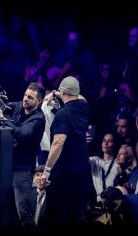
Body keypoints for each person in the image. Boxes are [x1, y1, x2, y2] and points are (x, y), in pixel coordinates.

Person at [0, 82, 46, 228]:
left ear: (39, 101)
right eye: (25, 95)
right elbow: (6, 106)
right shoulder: (21, 105)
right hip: (7, 164)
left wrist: (2, 117)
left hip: (23, 169)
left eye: (30, 98)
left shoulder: (38, 118)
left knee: (23, 212)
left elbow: (22, 134)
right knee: (7, 210)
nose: (25, 99)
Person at [40, 76, 91, 231]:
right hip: (81, 172)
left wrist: (47, 170)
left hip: (63, 175)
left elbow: (58, 143)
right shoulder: (83, 106)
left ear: (63, 92)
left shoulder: (63, 114)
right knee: (76, 216)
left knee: (58, 217)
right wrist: (56, 93)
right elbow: (81, 96)